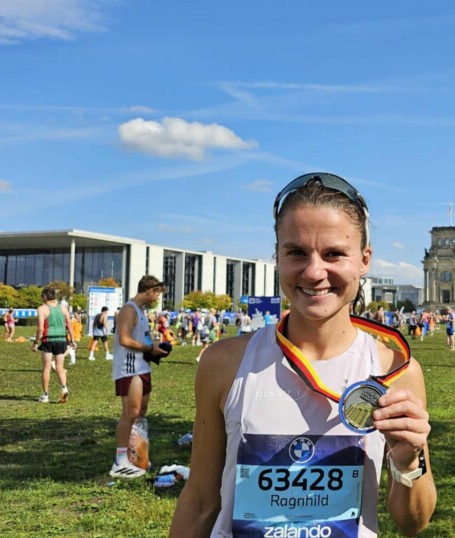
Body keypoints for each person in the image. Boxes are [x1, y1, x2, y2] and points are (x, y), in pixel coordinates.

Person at [171, 173, 436, 537]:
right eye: (296, 252)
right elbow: (200, 502)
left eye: (334, 254)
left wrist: (407, 461)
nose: (314, 272)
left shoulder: (395, 371)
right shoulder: (225, 363)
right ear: (277, 256)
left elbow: (413, 522)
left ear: (364, 260)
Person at [110, 275, 169, 478]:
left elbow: (140, 338)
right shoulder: (128, 309)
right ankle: (120, 461)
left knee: (141, 412)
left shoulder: (142, 312)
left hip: (142, 366)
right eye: (158, 294)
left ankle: (137, 456)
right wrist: (149, 348)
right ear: (150, 290)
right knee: (130, 413)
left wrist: (154, 350)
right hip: (129, 368)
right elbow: (125, 339)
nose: (157, 298)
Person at [32, 287, 74, 403]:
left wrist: (35, 342)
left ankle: (45, 395)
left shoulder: (42, 309)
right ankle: (64, 388)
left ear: (45, 297)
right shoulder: (63, 308)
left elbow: (40, 328)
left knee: (47, 367)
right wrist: (72, 341)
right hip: (61, 340)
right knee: (60, 367)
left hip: (48, 340)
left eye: (41, 296)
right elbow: (69, 325)